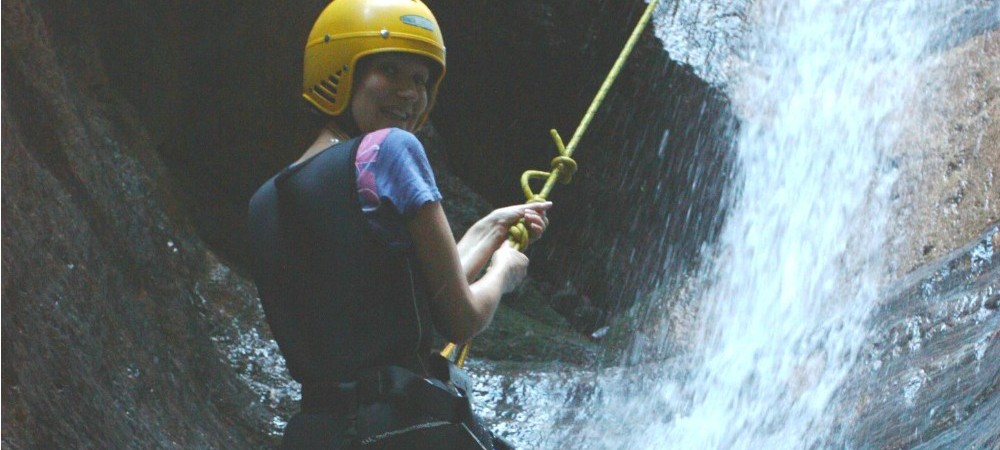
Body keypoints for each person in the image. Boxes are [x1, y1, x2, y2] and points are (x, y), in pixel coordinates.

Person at [247, 0, 551, 448]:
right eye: (389, 70)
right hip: (405, 428)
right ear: (341, 71)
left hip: (321, 432)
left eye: (420, 80)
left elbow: (392, 297)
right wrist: (504, 270)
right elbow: (459, 318)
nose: (410, 93)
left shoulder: (266, 200)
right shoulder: (390, 150)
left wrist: (489, 231)